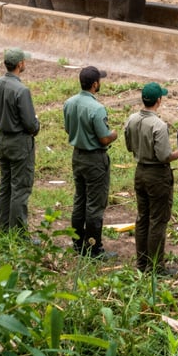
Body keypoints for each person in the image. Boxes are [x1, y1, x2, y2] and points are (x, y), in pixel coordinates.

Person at [124, 82, 178, 275]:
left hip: (140, 171)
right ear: (159, 100)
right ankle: (155, 267)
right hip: (157, 175)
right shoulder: (159, 125)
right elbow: (164, 156)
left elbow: (129, 146)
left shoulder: (131, 119)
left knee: (143, 218)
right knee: (157, 220)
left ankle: (141, 262)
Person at [63, 65, 118, 257]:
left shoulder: (69, 103)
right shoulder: (97, 108)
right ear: (95, 84)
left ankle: (78, 243)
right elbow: (104, 139)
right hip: (94, 159)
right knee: (95, 204)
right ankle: (94, 248)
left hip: (77, 156)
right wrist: (114, 134)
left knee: (80, 199)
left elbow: (68, 129)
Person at [0, 47, 40, 233]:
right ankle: (18, 234)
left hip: (3, 139)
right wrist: (36, 125)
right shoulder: (22, 90)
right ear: (20, 64)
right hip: (19, 143)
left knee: (5, 185)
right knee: (20, 188)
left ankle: (3, 229)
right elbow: (30, 123)